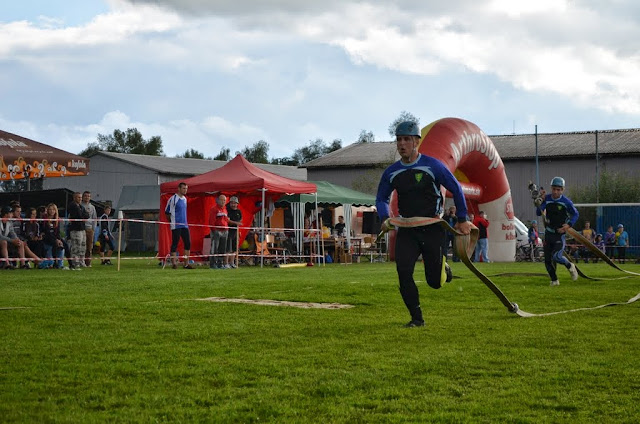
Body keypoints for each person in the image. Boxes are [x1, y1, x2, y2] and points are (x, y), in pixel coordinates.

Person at [376, 121, 472, 328]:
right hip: (407, 229)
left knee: (434, 283)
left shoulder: (433, 165)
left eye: (406, 139)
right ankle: (417, 319)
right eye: (399, 140)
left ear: (416, 142)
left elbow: (456, 188)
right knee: (403, 272)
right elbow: (381, 198)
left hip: (433, 228)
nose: (402, 144)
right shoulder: (392, 172)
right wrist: (384, 218)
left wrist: (463, 219)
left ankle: (443, 268)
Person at [536, 176, 579, 286]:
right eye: (554, 189)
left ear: (562, 190)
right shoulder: (547, 198)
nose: (555, 192)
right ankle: (554, 280)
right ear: (551, 188)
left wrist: (568, 225)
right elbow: (538, 212)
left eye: (558, 189)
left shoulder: (566, 202)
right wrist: (540, 201)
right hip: (548, 233)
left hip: (559, 235)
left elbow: (575, 214)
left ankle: (570, 266)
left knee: (557, 257)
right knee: (547, 260)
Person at [165, 182, 193, 269]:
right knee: (175, 243)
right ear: (179, 189)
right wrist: (172, 221)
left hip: (184, 225)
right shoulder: (173, 199)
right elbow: (167, 212)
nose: (185, 190)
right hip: (176, 225)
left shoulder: (185, 199)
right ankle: (174, 263)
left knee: (188, 243)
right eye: (184, 188)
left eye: (186, 189)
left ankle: (186, 264)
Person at [67, 192, 88, 269]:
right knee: (76, 246)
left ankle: (81, 261)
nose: (80, 199)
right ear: (74, 198)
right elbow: (79, 215)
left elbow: (87, 215)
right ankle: (75, 262)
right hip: (75, 229)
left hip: (82, 228)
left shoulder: (81, 206)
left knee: (83, 246)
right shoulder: (72, 205)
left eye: (81, 197)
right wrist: (83, 215)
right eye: (78, 197)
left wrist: (83, 215)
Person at [209, 194, 229, 269]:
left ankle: (220, 263)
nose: (223, 202)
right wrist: (214, 230)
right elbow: (211, 221)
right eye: (221, 200)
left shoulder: (225, 209)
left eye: (224, 200)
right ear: (218, 200)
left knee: (222, 248)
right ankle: (213, 264)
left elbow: (226, 220)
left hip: (225, 231)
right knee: (215, 248)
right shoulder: (214, 209)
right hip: (217, 230)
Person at [81, 191, 97, 267]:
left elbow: (94, 219)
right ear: (82, 197)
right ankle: (81, 261)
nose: (87, 197)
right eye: (85, 196)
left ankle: (88, 262)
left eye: (88, 196)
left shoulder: (92, 207)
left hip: (89, 229)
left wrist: (93, 229)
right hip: (81, 228)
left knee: (89, 246)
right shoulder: (80, 206)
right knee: (82, 246)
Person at [226, 196, 242, 268]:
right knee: (228, 248)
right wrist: (236, 223)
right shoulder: (227, 210)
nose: (233, 205)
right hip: (228, 231)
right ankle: (226, 263)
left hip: (236, 231)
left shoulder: (239, 211)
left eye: (235, 203)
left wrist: (237, 224)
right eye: (232, 203)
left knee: (234, 248)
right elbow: (227, 220)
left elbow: (240, 220)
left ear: (237, 204)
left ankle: (232, 263)